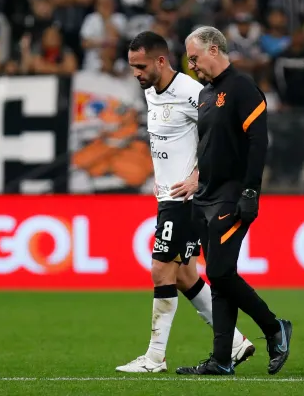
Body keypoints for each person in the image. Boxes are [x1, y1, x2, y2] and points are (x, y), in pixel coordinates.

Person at [115, 31, 255, 374]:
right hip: (167, 194)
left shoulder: (194, 92)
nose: (135, 72)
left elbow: (221, 136)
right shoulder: (150, 92)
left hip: (186, 200)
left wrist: (197, 176)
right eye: (132, 66)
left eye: (140, 65)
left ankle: (154, 358)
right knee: (185, 275)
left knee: (161, 270)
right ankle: (236, 343)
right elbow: (169, 139)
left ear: (161, 61)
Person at [176, 26, 292, 376]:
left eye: (194, 58)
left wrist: (251, 192)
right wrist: (196, 180)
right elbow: (207, 145)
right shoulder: (207, 95)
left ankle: (274, 329)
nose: (192, 65)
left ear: (214, 49)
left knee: (220, 272)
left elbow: (259, 143)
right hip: (207, 196)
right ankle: (222, 360)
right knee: (221, 278)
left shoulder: (242, 88)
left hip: (232, 195)